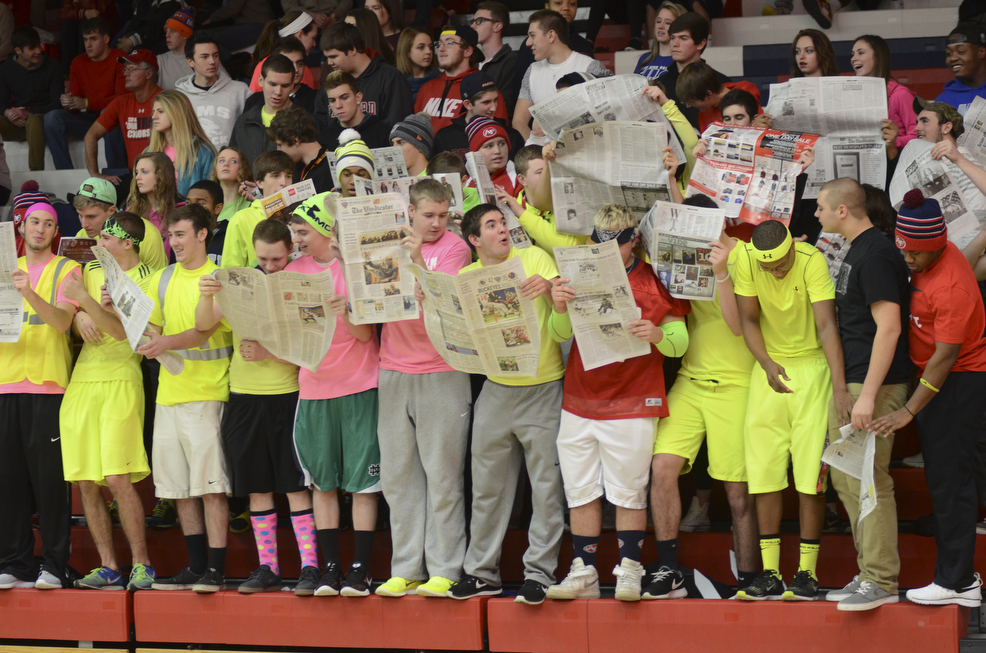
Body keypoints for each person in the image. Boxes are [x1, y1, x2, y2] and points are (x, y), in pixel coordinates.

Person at [546, 204, 689, 602]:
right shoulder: (577, 275)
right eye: (600, 243)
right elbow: (560, 333)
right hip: (580, 397)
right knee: (581, 491)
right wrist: (558, 306)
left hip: (632, 398)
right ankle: (586, 571)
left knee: (628, 491)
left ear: (633, 240)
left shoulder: (654, 282)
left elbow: (679, 345)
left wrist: (657, 334)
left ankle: (630, 568)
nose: (608, 251)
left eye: (617, 244)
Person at [870, 190, 986, 608]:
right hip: (948, 377)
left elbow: (944, 358)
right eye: (904, 251)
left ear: (937, 245)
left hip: (957, 380)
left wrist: (908, 410)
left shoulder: (952, 287)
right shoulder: (929, 253)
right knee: (971, 468)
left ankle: (958, 582)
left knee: (950, 484)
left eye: (915, 255)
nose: (908, 261)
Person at [446, 204, 564, 605]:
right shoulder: (465, 277)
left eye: (504, 222)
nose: (502, 230)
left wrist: (550, 291)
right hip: (495, 389)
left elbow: (563, 314)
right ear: (474, 240)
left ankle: (540, 575)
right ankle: (482, 573)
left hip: (544, 387)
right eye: (492, 226)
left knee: (547, 489)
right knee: (487, 489)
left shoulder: (533, 257)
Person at [645, 197, 760, 600]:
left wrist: (722, 272)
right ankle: (667, 569)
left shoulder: (743, 253)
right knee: (662, 469)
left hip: (738, 383)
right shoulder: (682, 252)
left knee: (737, 491)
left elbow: (737, 326)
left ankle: (749, 578)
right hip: (692, 380)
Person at [196, 217, 318, 595]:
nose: (269, 267)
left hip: (286, 395)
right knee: (257, 487)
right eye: (263, 259)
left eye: (276, 260)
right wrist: (206, 294)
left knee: (294, 484)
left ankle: (310, 567)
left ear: (290, 251)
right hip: (244, 395)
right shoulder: (241, 281)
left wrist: (269, 351)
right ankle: (268, 567)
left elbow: (311, 347)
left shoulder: (301, 281)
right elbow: (203, 326)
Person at [732, 219, 848, 601]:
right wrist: (765, 362)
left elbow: (828, 326)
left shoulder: (812, 260)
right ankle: (769, 573)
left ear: (792, 249)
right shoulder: (747, 261)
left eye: (781, 264)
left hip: (812, 370)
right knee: (763, 472)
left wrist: (840, 387)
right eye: (770, 268)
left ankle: (807, 574)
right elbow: (748, 319)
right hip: (768, 369)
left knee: (809, 475)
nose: (777, 272)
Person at [812, 178, 911, 611]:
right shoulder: (859, 248)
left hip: (876, 383)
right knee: (848, 478)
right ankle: (871, 573)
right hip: (858, 379)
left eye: (820, 207)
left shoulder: (875, 255)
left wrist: (867, 395)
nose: (815, 214)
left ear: (842, 212)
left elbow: (889, 328)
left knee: (865, 479)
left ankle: (880, 580)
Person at [374, 179, 473, 599]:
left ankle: (446, 568)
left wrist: (414, 258)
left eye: (444, 215)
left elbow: (440, 298)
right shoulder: (384, 242)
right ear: (410, 212)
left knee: (443, 475)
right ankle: (406, 567)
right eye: (428, 215)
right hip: (392, 367)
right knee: (398, 478)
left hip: (442, 368)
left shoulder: (456, 248)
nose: (436, 223)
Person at [287, 196, 382, 598]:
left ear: (327, 230)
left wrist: (346, 312)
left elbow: (366, 336)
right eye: (295, 232)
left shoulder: (354, 269)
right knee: (321, 483)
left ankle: (360, 570)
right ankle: (330, 567)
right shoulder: (294, 270)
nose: (298, 239)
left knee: (362, 484)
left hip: (359, 386)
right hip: (313, 388)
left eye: (304, 231)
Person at [60, 211, 157, 591]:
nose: (98, 244)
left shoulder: (148, 280)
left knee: (117, 477)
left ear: (127, 242)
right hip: (83, 378)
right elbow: (67, 313)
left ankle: (142, 564)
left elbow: (122, 333)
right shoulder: (92, 271)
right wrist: (77, 318)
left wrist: (88, 304)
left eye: (105, 239)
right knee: (85, 480)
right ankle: (109, 566)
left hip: (122, 376)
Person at [141, 203, 233, 593]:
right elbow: (150, 332)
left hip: (208, 394)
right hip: (169, 396)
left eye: (180, 234)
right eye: (170, 235)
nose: (174, 242)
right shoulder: (161, 278)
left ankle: (216, 569)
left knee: (211, 487)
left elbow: (202, 331)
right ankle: (196, 567)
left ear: (202, 234)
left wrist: (161, 343)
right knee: (178, 488)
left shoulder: (218, 279)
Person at [0, 202, 79, 591]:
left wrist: (28, 293)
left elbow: (63, 321)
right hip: (5, 384)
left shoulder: (67, 269)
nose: (41, 229)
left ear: (55, 231)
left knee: (50, 483)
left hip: (48, 386)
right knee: (8, 480)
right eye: (35, 222)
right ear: (22, 225)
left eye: (49, 224)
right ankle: (15, 561)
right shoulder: (3, 265)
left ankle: (55, 563)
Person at [512, 10, 612, 146]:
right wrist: (536, 149)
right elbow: (519, 121)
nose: (528, 43)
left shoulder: (589, 66)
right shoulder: (532, 70)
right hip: (544, 158)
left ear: (551, 36)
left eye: (532, 36)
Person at [44, 17, 128, 171]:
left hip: (112, 119)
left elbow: (121, 100)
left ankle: (117, 174)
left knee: (109, 112)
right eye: (85, 40)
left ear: (106, 39)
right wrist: (69, 102)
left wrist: (87, 103)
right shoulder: (78, 62)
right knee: (51, 118)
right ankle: (64, 172)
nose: (88, 45)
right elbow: (75, 104)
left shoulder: (120, 59)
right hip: (88, 120)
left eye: (93, 39)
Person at [318, 22, 414, 134]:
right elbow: (321, 126)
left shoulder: (391, 78)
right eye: (327, 57)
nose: (329, 62)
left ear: (353, 50)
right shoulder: (332, 81)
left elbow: (398, 128)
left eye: (333, 57)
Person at [414, 26, 510, 133]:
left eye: (449, 43)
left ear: (467, 51)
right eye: (439, 43)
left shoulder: (484, 88)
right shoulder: (426, 88)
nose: (441, 48)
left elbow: (497, 133)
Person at [85, 49, 161, 182]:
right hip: (136, 177)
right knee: (94, 194)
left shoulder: (167, 100)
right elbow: (90, 135)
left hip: (163, 175)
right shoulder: (121, 102)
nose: (125, 73)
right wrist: (95, 173)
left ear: (149, 73)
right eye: (125, 69)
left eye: (131, 69)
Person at [497, 144, 587, 257]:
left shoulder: (569, 201)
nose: (548, 176)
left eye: (550, 170)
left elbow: (569, 248)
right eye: (540, 172)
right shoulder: (510, 210)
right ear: (522, 179)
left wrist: (522, 214)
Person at [175, 32, 252, 150]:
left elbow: (252, 132)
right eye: (205, 57)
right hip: (193, 166)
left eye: (215, 55)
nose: (212, 61)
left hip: (231, 165)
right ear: (190, 61)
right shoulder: (179, 96)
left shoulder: (240, 91)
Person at [0, 26, 62, 171]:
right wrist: (9, 113)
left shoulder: (53, 66)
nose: (38, 51)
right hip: (18, 124)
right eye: (32, 48)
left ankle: (36, 175)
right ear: (18, 51)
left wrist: (29, 114)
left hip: (44, 121)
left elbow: (57, 104)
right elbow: (1, 104)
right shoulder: (6, 70)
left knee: (33, 122)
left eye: (39, 45)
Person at [72, 176, 167, 270]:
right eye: (80, 215)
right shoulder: (82, 235)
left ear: (111, 210)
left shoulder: (147, 235)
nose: (84, 225)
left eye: (91, 217)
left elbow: (158, 281)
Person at [221, 150, 295, 269]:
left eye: (288, 176)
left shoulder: (301, 214)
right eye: (276, 176)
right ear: (260, 183)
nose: (284, 183)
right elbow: (230, 270)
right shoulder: (241, 219)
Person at [657, 13, 729, 131]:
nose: (675, 44)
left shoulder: (720, 81)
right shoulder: (661, 83)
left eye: (683, 38)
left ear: (701, 43)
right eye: (672, 38)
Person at [432, 71, 523, 163]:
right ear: (467, 104)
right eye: (486, 102)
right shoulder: (445, 137)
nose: (494, 108)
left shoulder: (511, 136)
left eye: (495, 100)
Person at [230, 54, 295, 169]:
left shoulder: (303, 122)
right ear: (261, 81)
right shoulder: (243, 122)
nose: (278, 92)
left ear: (292, 85)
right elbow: (233, 164)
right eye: (272, 84)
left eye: (284, 86)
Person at [147, 90, 217, 197]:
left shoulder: (203, 151)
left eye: (160, 111)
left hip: (190, 212)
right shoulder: (149, 152)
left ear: (177, 113)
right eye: (153, 112)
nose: (154, 117)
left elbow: (211, 195)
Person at [514, 0, 595, 86]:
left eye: (572, 4)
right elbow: (519, 84)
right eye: (558, 3)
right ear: (547, 6)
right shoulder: (531, 44)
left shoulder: (584, 46)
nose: (566, 8)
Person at [675, 61, 761, 134]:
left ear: (709, 94)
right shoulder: (703, 115)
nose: (688, 106)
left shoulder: (747, 93)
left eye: (692, 101)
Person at [126, 152, 180, 260]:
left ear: (162, 175)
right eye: (136, 172)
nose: (137, 177)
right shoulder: (131, 210)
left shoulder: (181, 210)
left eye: (144, 172)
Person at [244, 37, 318, 115]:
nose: (296, 69)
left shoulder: (316, 99)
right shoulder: (254, 101)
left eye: (299, 64)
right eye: (288, 63)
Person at [320, 70, 392, 150]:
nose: (338, 105)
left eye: (344, 98)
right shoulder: (324, 139)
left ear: (358, 97)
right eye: (332, 100)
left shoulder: (384, 133)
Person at [269, 105, 334, 191]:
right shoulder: (296, 169)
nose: (278, 150)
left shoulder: (331, 170)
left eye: (280, 145)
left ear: (295, 141)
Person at [250, 13, 319, 93]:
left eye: (299, 64)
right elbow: (255, 101)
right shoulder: (265, 65)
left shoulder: (305, 70)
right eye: (313, 38)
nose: (314, 44)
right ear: (300, 35)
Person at [473, 2, 519, 120]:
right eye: (473, 21)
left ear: (497, 26)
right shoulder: (471, 62)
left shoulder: (512, 61)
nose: (473, 26)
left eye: (479, 21)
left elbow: (505, 106)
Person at [935, 23, 986, 116]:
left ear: (981, 52)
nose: (953, 58)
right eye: (949, 53)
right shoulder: (943, 102)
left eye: (961, 52)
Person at [465, 116, 517, 197]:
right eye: (489, 146)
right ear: (476, 153)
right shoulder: (468, 184)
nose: (497, 151)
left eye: (501, 143)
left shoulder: (519, 179)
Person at [634, 2, 687, 80]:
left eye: (668, 23)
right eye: (658, 21)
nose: (660, 26)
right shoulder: (644, 58)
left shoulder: (681, 61)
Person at [198, 0, 273, 53]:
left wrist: (209, 20)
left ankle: (228, 67)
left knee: (210, 38)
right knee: (208, 35)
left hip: (256, 26)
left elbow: (232, 8)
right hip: (255, 25)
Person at [115, 0, 182, 55]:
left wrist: (131, 41)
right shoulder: (143, 2)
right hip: (147, 40)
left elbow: (155, 27)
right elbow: (135, 23)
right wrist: (126, 40)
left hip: (164, 46)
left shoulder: (173, 3)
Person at [185, 179, 227, 266]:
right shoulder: (180, 236)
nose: (191, 208)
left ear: (217, 208)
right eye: (188, 203)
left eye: (200, 203)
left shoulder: (229, 235)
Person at [211, 147, 253, 226]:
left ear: (242, 168)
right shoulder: (209, 204)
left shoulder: (251, 202)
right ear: (215, 168)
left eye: (233, 161)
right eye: (222, 160)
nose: (226, 164)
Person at [395, 27, 439, 102]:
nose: (428, 52)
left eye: (430, 47)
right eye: (421, 47)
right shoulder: (395, 83)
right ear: (407, 52)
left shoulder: (440, 80)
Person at [157, 8, 196, 90]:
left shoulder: (201, 57)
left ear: (185, 34)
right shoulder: (160, 60)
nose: (167, 35)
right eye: (166, 31)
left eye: (173, 31)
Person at [390, 112, 433, 177]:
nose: (393, 149)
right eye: (393, 143)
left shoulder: (438, 180)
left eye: (400, 143)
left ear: (420, 146)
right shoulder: (393, 180)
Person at [334, 130, 375, 197]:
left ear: (370, 178)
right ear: (339, 179)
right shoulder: (320, 205)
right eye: (347, 175)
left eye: (360, 175)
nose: (353, 182)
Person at [280, 0, 352, 30]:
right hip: (303, 18)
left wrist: (334, 16)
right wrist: (312, 16)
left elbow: (347, 1)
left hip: (336, 17)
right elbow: (289, 6)